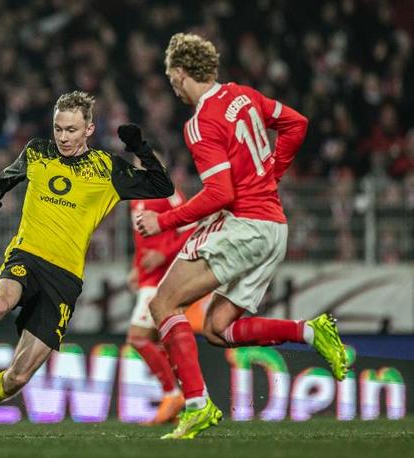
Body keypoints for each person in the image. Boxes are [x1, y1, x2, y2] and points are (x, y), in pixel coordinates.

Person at [0, 91, 174, 438]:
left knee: (18, 376)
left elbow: (163, 185)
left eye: (71, 130)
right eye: (58, 128)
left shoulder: (107, 168)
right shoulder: (38, 151)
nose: (63, 137)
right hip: (27, 255)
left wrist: (140, 148)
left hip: (65, 277)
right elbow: (9, 175)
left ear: (89, 129)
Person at [135, 33, 348, 439]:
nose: (171, 85)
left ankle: (196, 404)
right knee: (217, 328)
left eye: (170, 76)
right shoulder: (243, 95)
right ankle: (310, 331)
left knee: (164, 303)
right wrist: (272, 173)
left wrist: (164, 222)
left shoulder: (199, 123)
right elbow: (297, 124)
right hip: (274, 229)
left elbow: (220, 194)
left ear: (180, 73)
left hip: (244, 226)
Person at [127, 189, 193, 425]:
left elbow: (191, 229)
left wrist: (163, 254)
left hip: (163, 278)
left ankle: (173, 395)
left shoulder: (168, 191)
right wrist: (136, 266)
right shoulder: (134, 195)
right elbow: (141, 238)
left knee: (138, 337)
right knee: (163, 343)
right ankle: (190, 400)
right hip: (148, 277)